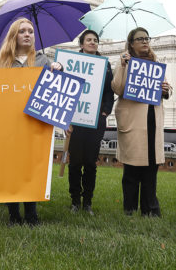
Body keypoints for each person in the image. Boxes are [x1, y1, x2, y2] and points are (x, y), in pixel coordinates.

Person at [0, 18, 63, 226]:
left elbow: (56, 87)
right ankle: (13, 215)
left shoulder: (42, 60)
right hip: (8, 124)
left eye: (30, 31)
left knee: (30, 167)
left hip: (32, 122)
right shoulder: (1, 63)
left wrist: (58, 67)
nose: (27, 34)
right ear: (14, 36)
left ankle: (31, 214)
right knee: (10, 167)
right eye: (22, 32)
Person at [111, 27, 171, 217]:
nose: (145, 41)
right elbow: (117, 89)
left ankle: (150, 209)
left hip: (152, 118)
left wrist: (165, 89)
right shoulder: (124, 63)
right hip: (133, 120)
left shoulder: (155, 63)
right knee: (132, 168)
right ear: (131, 43)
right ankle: (129, 209)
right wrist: (122, 65)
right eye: (140, 39)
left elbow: (166, 90)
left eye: (147, 38)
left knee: (150, 168)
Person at [66, 30, 114, 215]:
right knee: (75, 162)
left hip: (97, 119)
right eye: (89, 40)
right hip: (75, 120)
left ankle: (88, 201)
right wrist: (66, 119)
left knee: (91, 163)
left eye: (95, 40)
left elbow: (110, 91)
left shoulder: (106, 65)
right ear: (82, 44)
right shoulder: (71, 63)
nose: (93, 43)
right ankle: (75, 200)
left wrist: (105, 111)